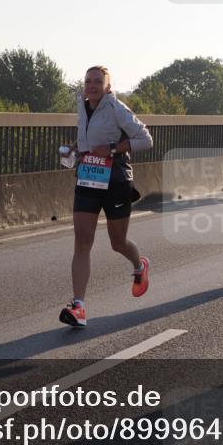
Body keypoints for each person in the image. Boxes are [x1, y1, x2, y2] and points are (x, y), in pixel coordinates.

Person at [59, 66, 153, 328]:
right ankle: (79, 307)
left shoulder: (116, 108)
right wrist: (77, 151)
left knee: (117, 242)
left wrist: (111, 149)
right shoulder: (82, 105)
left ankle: (139, 265)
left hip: (116, 180)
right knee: (82, 241)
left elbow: (146, 140)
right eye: (88, 81)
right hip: (88, 179)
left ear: (108, 87)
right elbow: (90, 140)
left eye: (97, 81)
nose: (91, 85)